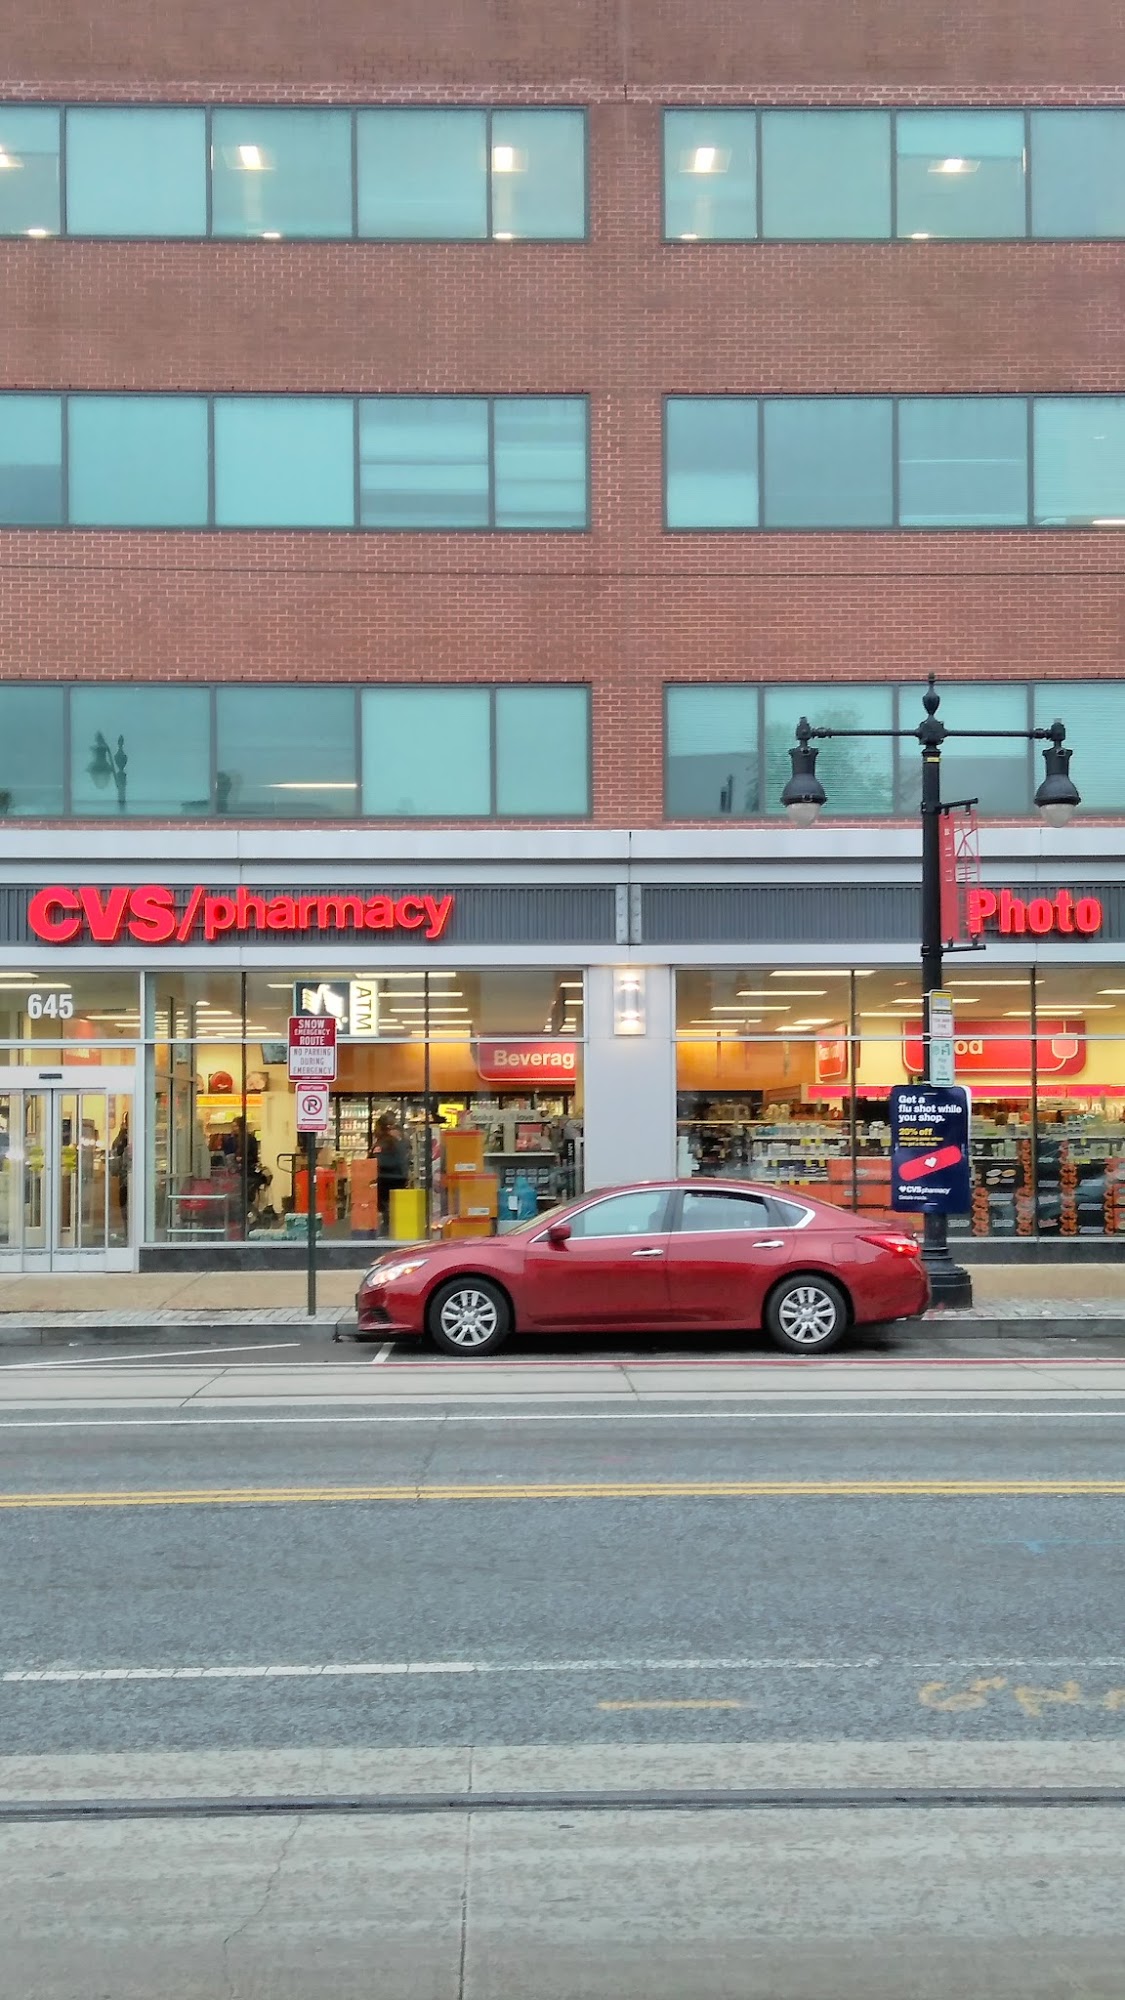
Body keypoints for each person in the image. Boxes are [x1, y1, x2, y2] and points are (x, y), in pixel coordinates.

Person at [370, 1112, 411, 1234]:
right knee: (394, 1206)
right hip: (399, 1177)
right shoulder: (402, 1140)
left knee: (386, 1205)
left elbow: (376, 1160)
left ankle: (387, 1228)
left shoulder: (383, 1142)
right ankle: (393, 1228)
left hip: (385, 1178)